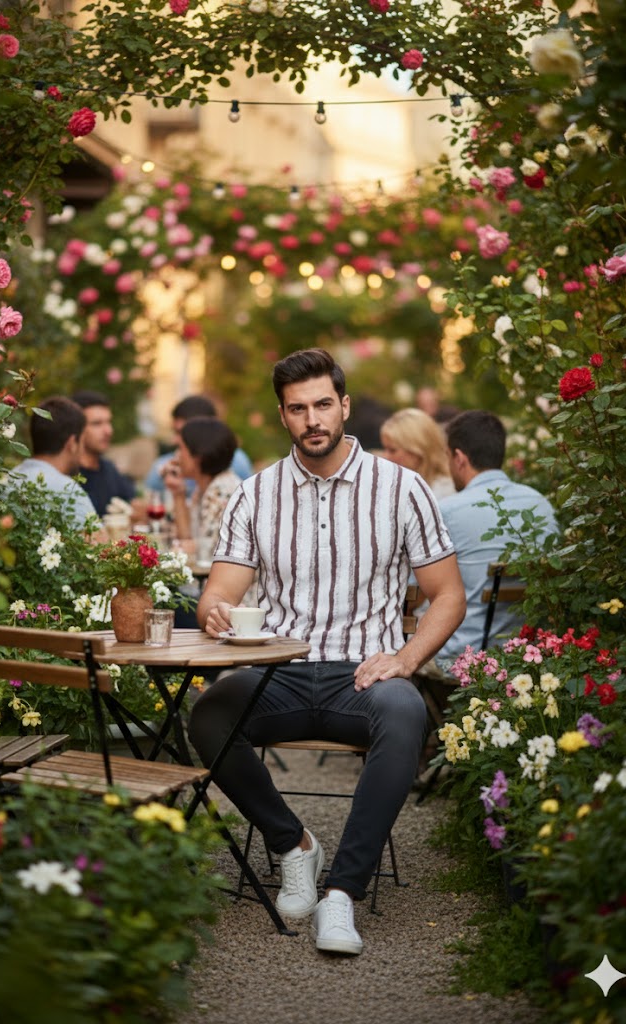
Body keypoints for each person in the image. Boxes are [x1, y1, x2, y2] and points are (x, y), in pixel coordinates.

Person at [188, 348, 466, 956]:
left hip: (365, 673)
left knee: (406, 711)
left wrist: (406, 659)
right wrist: (214, 609)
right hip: (278, 674)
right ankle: (293, 847)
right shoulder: (255, 494)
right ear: (282, 417)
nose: (312, 419)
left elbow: (447, 596)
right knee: (208, 713)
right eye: (297, 409)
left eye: (322, 404)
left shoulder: (402, 488)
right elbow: (222, 590)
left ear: (343, 406)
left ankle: (341, 893)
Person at [435, 410, 558, 669]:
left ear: (458, 458)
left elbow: (417, 593)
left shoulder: (448, 511)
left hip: (467, 661)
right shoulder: (540, 504)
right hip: (530, 656)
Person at [9, 396, 99, 530]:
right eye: (82, 442)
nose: (82, 450)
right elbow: (100, 544)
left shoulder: (9, 480)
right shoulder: (68, 491)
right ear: (72, 443)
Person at [144, 395, 253, 501]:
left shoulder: (234, 465)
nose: (174, 440)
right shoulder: (165, 464)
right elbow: (150, 501)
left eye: (182, 433)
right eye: (175, 432)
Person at [162, 417, 241, 557]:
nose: (176, 455)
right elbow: (187, 537)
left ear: (198, 456)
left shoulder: (222, 491)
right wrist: (178, 493)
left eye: (180, 448)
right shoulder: (205, 487)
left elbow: (207, 551)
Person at [70, 390, 141, 518]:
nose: (108, 431)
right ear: (77, 428)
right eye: (97, 424)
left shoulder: (109, 469)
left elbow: (135, 506)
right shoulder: (68, 474)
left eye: (109, 422)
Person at [380, 408, 455, 499]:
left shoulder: (442, 496)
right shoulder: (406, 487)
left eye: (392, 450)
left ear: (417, 452)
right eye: (384, 449)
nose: (384, 456)